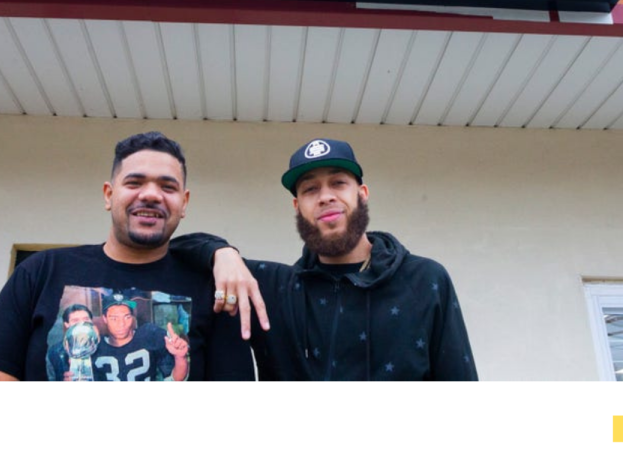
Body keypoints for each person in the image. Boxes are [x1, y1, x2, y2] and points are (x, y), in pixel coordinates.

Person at [172, 137, 478, 381]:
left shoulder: (424, 280)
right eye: (310, 189)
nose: (325, 196)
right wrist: (222, 253)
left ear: (362, 193)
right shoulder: (273, 289)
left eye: (338, 183)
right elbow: (178, 248)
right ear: (297, 205)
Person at [0, 131, 256, 382]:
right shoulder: (41, 271)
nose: (151, 195)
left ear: (184, 203)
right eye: (134, 183)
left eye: (168, 187)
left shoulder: (213, 291)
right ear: (109, 195)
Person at [92, 294, 189, 382]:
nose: (121, 324)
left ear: (132, 317)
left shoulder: (150, 335)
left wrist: (180, 357)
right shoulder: (94, 347)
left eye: (127, 317)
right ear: (105, 319)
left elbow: (176, 379)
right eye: (114, 318)